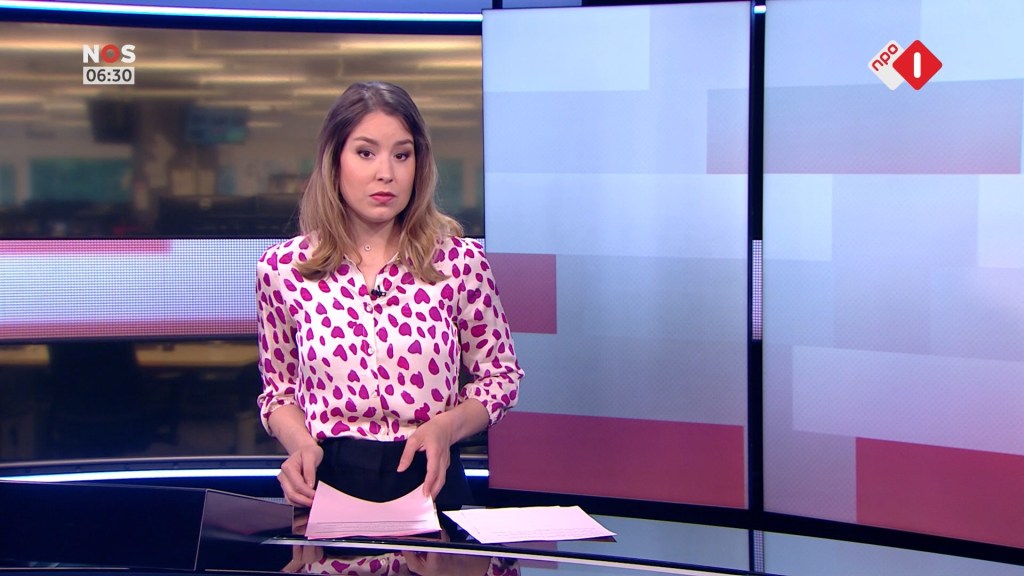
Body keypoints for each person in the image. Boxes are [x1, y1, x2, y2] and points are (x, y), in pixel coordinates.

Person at [256, 81, 522, 511]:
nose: (386, 173)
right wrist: (300, 444)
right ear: (334, 161)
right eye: (366, 153)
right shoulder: (284, 269)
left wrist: (447, 428)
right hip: (330, 484)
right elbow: (279, 393)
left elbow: (500, 378)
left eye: (402, 155)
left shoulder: (459, 262)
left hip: (432, 481)